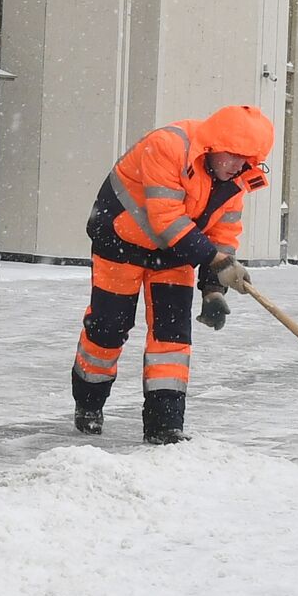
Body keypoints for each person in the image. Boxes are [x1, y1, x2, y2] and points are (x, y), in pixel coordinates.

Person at [71, 105, 274, 445]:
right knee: (109, 327)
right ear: (213, 147)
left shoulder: (236, 179)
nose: (239, 166)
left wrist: (213, 289)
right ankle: (89, 403)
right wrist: (217, 262)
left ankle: (164, 425)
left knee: (172, 336)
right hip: (120, 239)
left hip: (175, 252)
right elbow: (165, 219)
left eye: (247, 160)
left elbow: (223, 235)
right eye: (234, 156)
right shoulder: (168, 146)